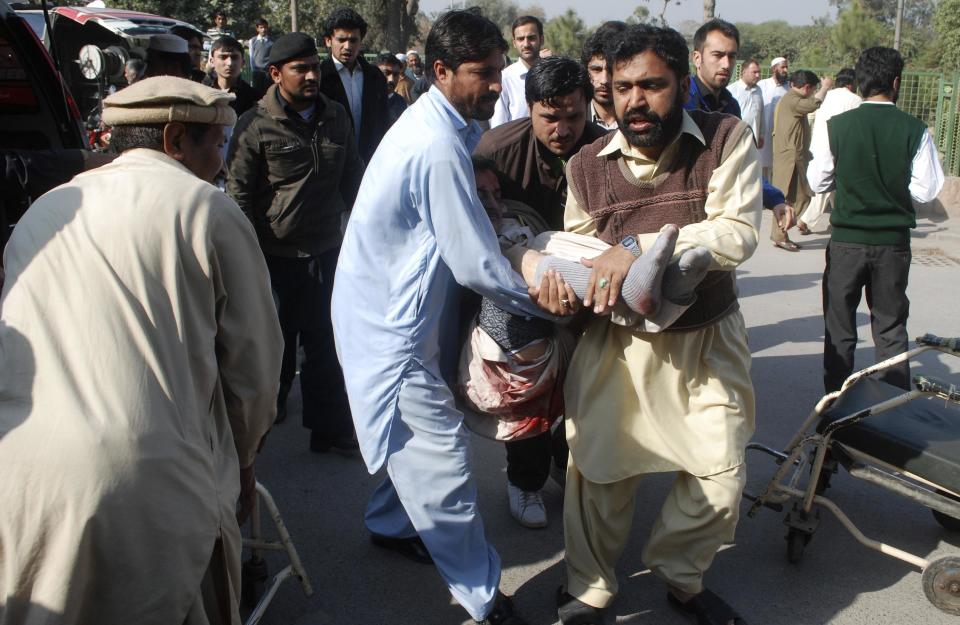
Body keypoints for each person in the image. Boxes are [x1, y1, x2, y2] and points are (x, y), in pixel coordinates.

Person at [0, 76, 282, 625]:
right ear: (176, 139)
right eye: (218, 144)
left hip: (25, 476)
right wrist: (244, 460)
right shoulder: (208, 210)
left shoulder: (45, 208)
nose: (222, 162)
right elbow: (255, 372)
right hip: (150, 482)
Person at [332, 9, 579, 625]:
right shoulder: (437, 144)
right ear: (440, 70)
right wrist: (546, 306)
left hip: (403, 310)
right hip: (393, 328)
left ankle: (390, 523)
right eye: (482, 73)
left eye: (499, 71)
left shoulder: (445, 124)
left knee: (407, 442)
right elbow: (476, 264)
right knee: (439, 458)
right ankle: (484, 598)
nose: (497, 85)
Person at [555, 24, 761, 625]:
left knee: (720, 478)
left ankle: (679, 573)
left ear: (680, 81)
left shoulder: (725, 139)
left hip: (707, 342)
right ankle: (590, 588)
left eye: (652, 85)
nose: (636, 102)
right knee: (599, 476)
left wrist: (637, 244)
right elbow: (577, 250)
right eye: (622, 88)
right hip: (618, 346)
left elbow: (738, 233)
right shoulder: (586, 167)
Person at [473, 56, 606, 529]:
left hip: (587, 287)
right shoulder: (497, 149)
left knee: (585, 387)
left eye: (574, 116)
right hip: (514, 289)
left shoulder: (608, 149)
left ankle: (566, 460)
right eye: (550, 117)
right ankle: (524, 481)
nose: (563, 128)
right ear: (528, 108)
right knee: (526, 389)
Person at [226, 32, 364, 449]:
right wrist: (246, 258)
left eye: (314, 67)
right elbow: (238, 194)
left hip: (326, 248)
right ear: (274, 73)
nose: (310, 76)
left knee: (325, 343)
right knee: (276, 341)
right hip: (275, 255)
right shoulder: (254, 124)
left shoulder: (336, 115)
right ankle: (271, 406)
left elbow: (354, 176)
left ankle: (329, 431)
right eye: (299, 69)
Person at [808, 46, 944, 393]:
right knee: (891, 330)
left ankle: (833, 420)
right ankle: (890, 423)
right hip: (892, 245)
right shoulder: (914, 129)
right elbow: (926, 189)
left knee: (839, 330)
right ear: (896, 82)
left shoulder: (837, 125)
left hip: (846, 246)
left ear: (861, 81)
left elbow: (817, 181)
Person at [771, 69, 832, 252]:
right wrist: (826, 87)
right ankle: (779, 234)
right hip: (789, 159)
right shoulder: (792, 100)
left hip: (793, 157)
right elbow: (812, 105)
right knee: (786, 199)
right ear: (807, 88)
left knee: (798, 197)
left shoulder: (790, 99)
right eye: (813, 89)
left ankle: (781, 233)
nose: (813, 93)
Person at [320, 7, 390, 164]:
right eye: (341, 40)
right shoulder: (319, 78)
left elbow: (383, 122)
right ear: (328, 41)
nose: (347, 46)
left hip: (371, 164)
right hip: (332, 168)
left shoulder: (375, 77)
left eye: (353, 40)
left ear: (361, 42)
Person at [801, 67, 861, 234]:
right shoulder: (855, 100)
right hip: (838, 148)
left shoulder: (827, 95)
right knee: (829, 185)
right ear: (851, 83)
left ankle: (838, 220)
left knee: (830, 186)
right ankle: (806, 219)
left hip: (818, 145)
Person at [490, 16, 545, 128]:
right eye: (521, 39)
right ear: (514, 43)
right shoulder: (504, 79)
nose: (526, 44)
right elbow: (499, 128)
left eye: (531, 38)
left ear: (542, 39)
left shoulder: (552, 75)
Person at [685, 18, 740, 115]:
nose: (726, 65)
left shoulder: (732, 105)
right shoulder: (683, 104)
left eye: (732, 56)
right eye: (718, 55)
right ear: (697, 58)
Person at [580, 21, 627, 131]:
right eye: (596, 70)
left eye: (611, 70)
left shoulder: (638, 121)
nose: (604, 80)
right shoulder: (574, 118)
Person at [203, 36, 259, 117]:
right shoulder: (203, 93)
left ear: (243, 62)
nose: (229, 63)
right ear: (212, 61)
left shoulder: (254, 98)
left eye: (234, 57)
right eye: (223, 57)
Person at [758, 56, 789, 178]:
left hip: (780, 135)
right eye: (783, 67)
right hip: (763, 134)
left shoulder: (789, 88)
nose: (785, 70)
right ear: (774, 69)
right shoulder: (762, 85)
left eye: (786, 67)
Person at [728, 58, 763, 147]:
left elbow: (760, 114)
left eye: (759, 72)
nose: (758, 75)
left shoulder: (758, 90)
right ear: (744, 72)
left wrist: (761, 135)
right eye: (754, 72)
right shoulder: (732, 91)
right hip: (737, 140)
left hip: (754, 140)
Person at [376, 52, 408, 126]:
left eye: (395, 74)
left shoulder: (401, 103)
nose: (391, 79)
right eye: (386, 73)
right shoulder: (364, 99)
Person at [249, 18, 274, 93]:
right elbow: (251, 57)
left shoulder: (272, 41)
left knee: (268, 92)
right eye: (261, 27)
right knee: (257, 93)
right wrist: (254, 70)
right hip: (257, 72)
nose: (264, 29)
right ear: (257, 29)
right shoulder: (252, 41)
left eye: (265, 27)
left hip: (268, 72)